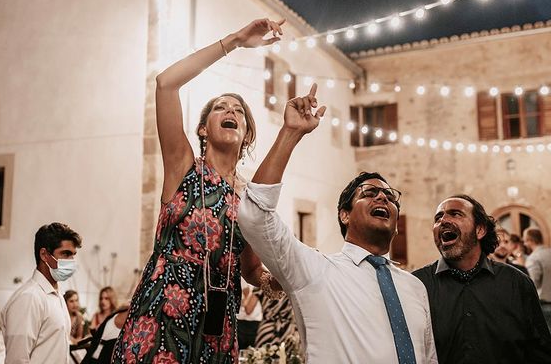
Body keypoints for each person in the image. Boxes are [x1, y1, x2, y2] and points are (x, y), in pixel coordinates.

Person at [113, 18, 285, 364]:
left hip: (217, 329)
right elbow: (165, 84)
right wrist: (235, 40)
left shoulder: (249, 198)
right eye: (221, 107)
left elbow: (249, 268)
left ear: (247, 135)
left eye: (238, 110)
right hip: (160, 315)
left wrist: (275, 280)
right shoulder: (183, 167)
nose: (231, 111)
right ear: (203, 130)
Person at [238, 85, 437, 363]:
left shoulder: (415, 288)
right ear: (344, 215)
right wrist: (291, 133)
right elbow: (254, 214)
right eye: (369, 193)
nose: (382, 196)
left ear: (396, 223)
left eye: (390, 197)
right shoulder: (316, 271)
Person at [413, 195, 551, 363]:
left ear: (480, 230)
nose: (443, 220)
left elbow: (540, 354)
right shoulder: (417, 286)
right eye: (438, 217)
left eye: (455, 214)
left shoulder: (517, 284)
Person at [1, 222, 82, 364]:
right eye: (65, 254)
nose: (71, 261)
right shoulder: (29, 298)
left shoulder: (56, 295)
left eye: (73, 255)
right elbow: (17, 360)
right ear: (44, 254)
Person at [523, 227, 551, 330]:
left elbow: (532, 283)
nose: (524, 243)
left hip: (544, 305)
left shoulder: (533, 258)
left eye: (525, 240)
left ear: (530, 240)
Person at [236, 280, 262, 349]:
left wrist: (246, 295)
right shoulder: (238, 280)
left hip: (253, 322)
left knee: (251, 351)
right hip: (239, 320)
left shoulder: (256, 282)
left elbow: (248, 310)